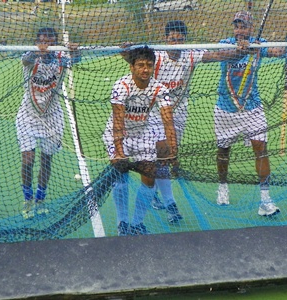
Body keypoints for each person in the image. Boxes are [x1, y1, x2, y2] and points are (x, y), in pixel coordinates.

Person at [120, 20, 254, 223]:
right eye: (172, 39)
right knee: (158, 158)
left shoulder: (190, 54)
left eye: (179, 39)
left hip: (179, 114)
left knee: (166, 159)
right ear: (166, 39)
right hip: (154, 113)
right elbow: (132, 58)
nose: (175, 43)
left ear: (184, 39)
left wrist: (241, 51)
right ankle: (170, 204)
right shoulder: (157, 55)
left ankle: (157, 194)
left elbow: (218, 55)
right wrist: (125, 50)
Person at [102, 46, 177, 236]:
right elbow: (118, 121)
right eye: (141, 65)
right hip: (118, 133)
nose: (145, 69)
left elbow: (168, 120)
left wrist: (173, 149)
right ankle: (122, 222)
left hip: (143, 133)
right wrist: (119, 152)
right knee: (121, 177)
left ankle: (137, 223)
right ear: (132, 67)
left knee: (149, 177)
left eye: (149, 65)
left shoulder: (160, 88)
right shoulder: (121, 86)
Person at [215, 11, 283, 216]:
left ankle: (265, 200)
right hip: (225, 108)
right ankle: (223, 186)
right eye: (237, 25)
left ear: (251, 27)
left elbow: (278, 51)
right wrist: (239, 50)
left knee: (261, 149)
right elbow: (218, 54)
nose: (239, 29)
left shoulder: (259, 44)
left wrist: (255, 48)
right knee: (223, 151)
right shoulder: (225, 42)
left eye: (243, 26)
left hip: (253, 107)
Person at [16, 27, 80, 219]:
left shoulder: (61, 58)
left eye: (51, 41)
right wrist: (37, 51)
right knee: (28, 159)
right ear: (37, 42)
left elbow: (76, 60)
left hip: (52, 117)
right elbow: (25, 60)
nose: (47, 45)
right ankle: (28, 199)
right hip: (28, 115)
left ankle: (40, 199)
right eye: (43, 41)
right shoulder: (30, 57)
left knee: (46, 160)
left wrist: (75, 51)